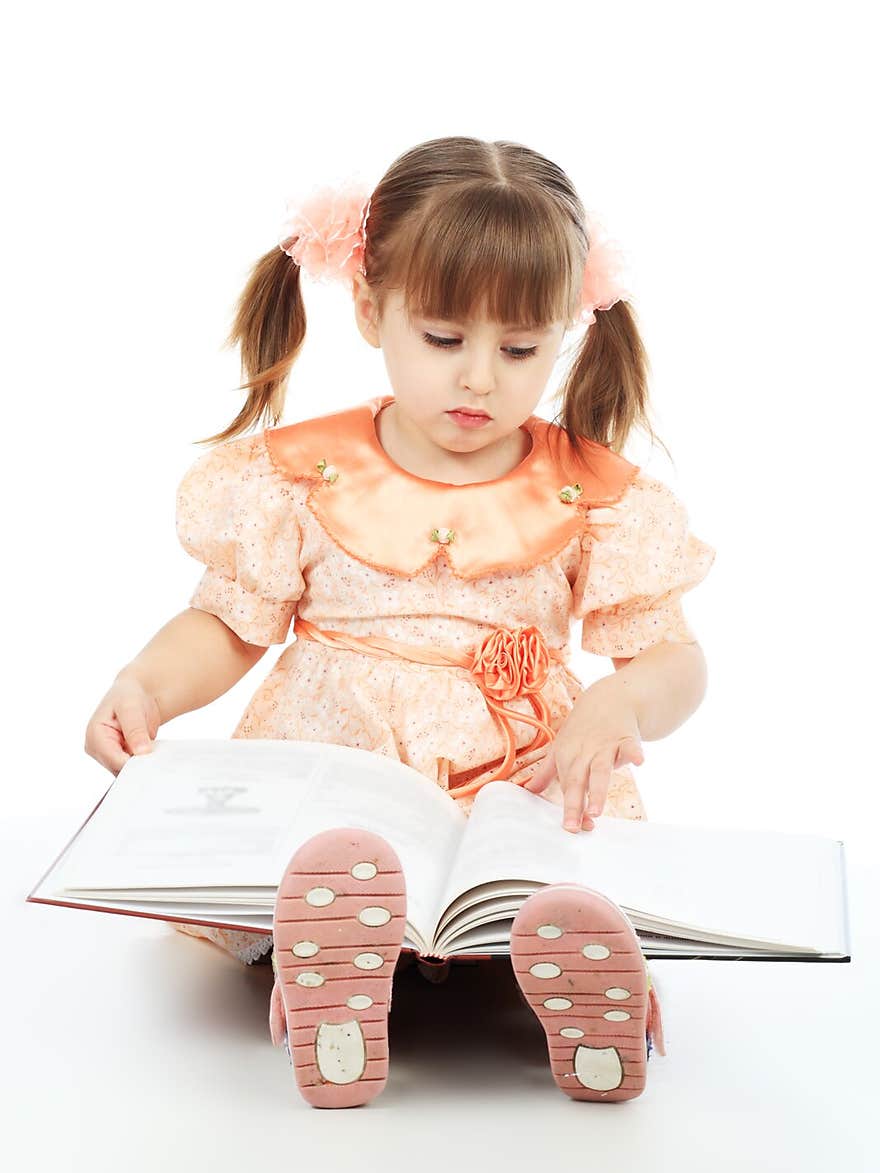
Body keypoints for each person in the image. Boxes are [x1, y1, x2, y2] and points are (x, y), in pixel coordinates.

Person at [84, 136, 715, 1109]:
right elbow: (229, 623)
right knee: (323, 845)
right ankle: (335, 958)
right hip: (340, 743)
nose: (478, 380)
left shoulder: (586, 491)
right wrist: (147, 684)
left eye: (518, 351)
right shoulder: (304, 472)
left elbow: (672, 659)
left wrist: (622, 702)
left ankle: (567, 962)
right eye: (444, 338)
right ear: (374, 312)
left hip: (517, 756)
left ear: (565, 333)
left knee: (540, 849)